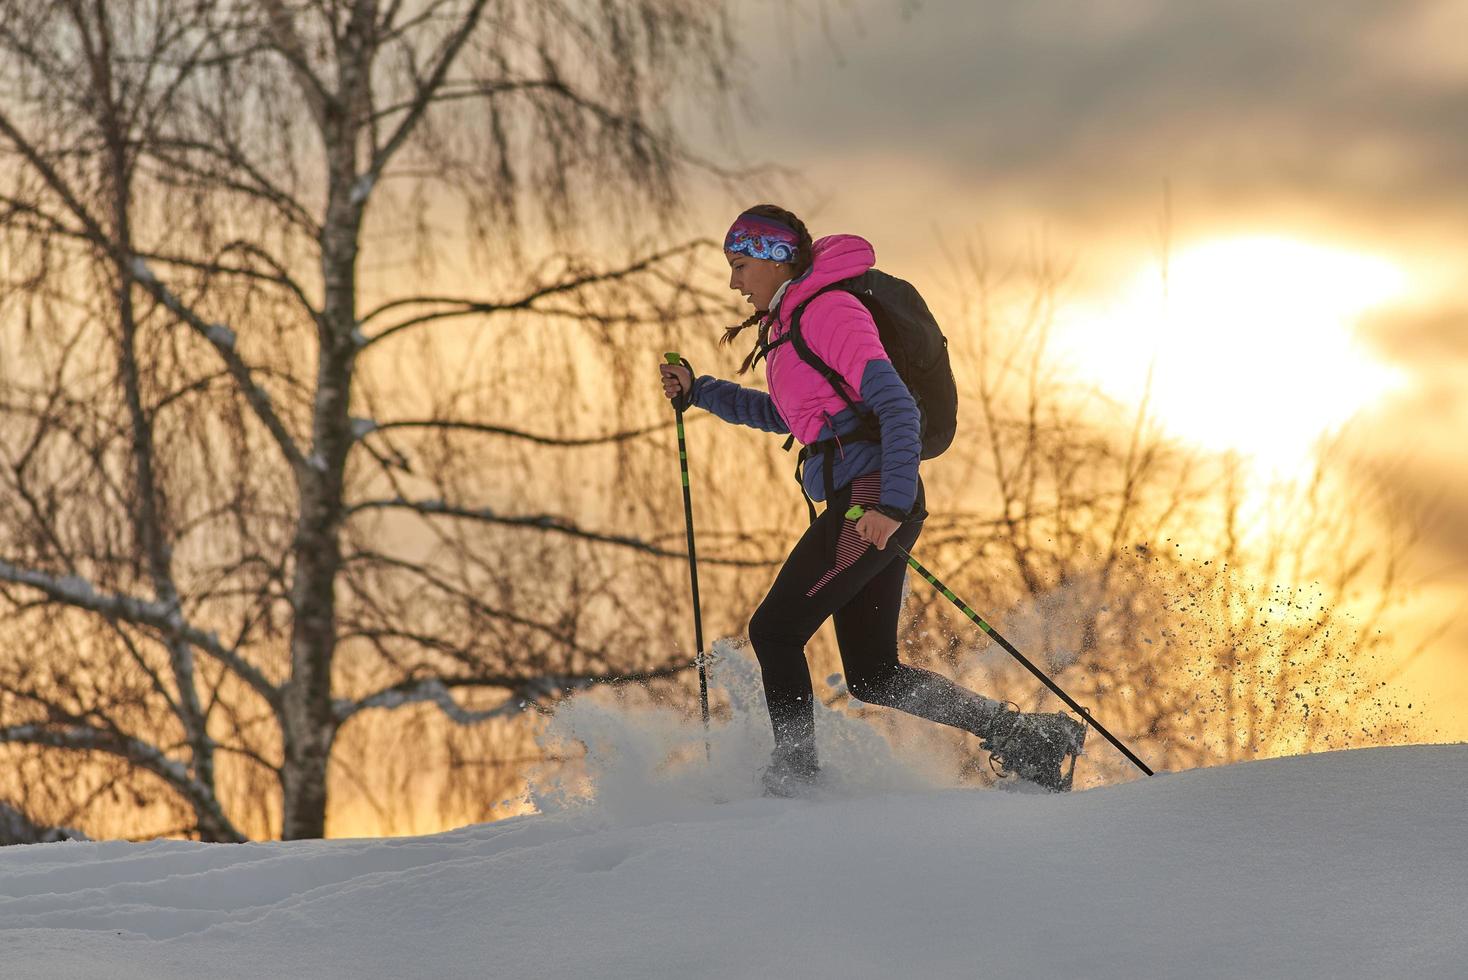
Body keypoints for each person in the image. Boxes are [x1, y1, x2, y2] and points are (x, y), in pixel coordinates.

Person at [659, 205, 1085, 795]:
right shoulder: (787, 329)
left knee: (775, 631)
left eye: (739, 265)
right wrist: (700, 391)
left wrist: (889, 504)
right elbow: (785, 416)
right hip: (868, 498)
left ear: (777, 257)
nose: (733, 282)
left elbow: (897, 406)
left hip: (870, 500)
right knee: (874, 674)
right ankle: (1029, 738)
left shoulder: (829, 311)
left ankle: (796, 776)